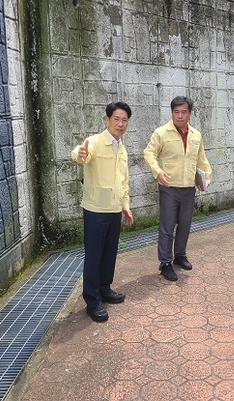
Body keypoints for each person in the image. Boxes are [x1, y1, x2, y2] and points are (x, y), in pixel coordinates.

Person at [71, 102, 134, 322]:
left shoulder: (122, 148)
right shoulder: (95, 142)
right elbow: (81, 153)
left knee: (109, 253)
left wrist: (125, 206)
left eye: (124, 120)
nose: (120, 124)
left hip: (115, 209)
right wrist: (79, 153)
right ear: (107, 120)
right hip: (96, 210)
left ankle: (105, 289)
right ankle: (92, 300)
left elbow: (124, 181)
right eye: (116, 119)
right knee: (94, 256)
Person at [144, 95, 212, 281]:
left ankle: (180, 255)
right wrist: (158, 172)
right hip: (169, 187)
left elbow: (202, 160)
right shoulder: (161, 133)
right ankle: (165, 262)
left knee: (184, 224)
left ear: (190, 114)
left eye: (184, 112)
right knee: (167, 226)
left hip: (189, 188)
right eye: (176, 112)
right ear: (172, 113)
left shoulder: (196, 135)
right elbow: (149, 153)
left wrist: (205, 179)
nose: (180, 116)